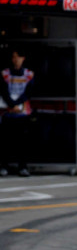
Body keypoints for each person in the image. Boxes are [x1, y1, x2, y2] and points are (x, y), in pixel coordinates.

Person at [1, 48, 34, 177]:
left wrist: (18, 103)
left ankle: (23, 166)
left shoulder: (29, 74)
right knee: (5, 140)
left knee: (22, 141)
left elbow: (29, 92)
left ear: (23, 58)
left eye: (18, 57)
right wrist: (11, 104)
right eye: (13, 57)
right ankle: (4, 166)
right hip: (7, 112)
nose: (16, 60)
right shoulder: (5, 74)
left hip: (23, 112)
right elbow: (3, 91)